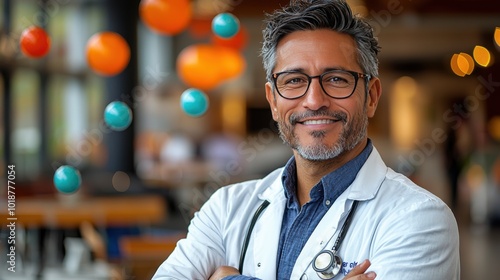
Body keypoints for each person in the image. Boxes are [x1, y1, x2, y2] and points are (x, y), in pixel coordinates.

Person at [152, 0, 460, 279]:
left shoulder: (419, 219)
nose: (314, 100)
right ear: (273, 101)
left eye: (337, 79)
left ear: (371, 97)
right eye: (294, 80)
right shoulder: (226, 208)